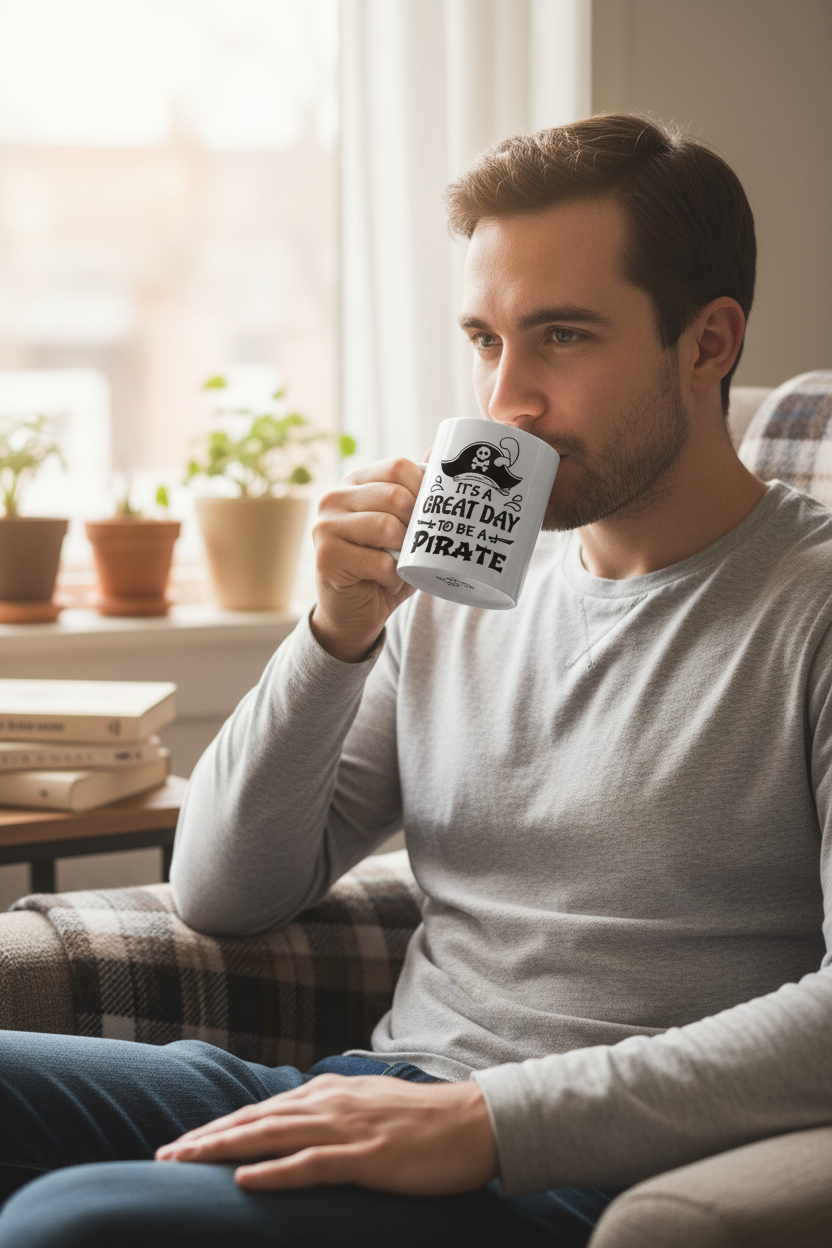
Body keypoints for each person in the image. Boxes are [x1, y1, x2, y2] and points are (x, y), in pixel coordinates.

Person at [1, 112, 831, 1248]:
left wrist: (491, 1123)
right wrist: (331, 637)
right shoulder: (461, 583)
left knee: (71, 1224)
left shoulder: (811, 610)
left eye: (563, 338)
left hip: (571, 1166)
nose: (507, 402)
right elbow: (225, 891)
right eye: (485, 340)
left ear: (707, 343)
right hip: (371, 1090)